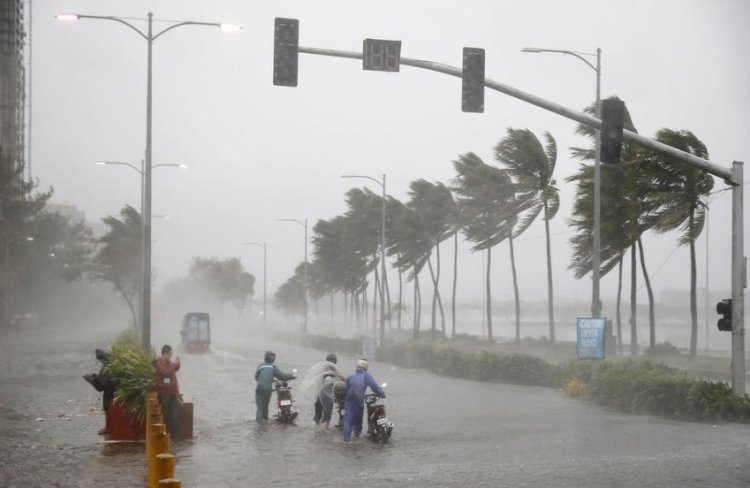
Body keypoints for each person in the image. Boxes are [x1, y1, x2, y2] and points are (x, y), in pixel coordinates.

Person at [342, 358, 385, 443]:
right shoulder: (366, 376)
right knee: (358, 421)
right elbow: (375, 387)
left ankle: (346, 441)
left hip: (349, 400)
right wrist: (382, 394)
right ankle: (356, 438)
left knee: (348, 420)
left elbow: (346, 389)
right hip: (358, 401)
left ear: (357, 366)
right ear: (366, 367)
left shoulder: (351, 375)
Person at [255, 351, 296, 421]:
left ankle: (259, 424)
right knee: (265, 406)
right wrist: (292, 376)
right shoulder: (273, 367)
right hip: (268, 389)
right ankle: (265, 421)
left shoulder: (260, 366)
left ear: (265, 358)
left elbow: (256, 377)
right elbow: (283, 376)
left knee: (260, 407)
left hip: (259, 388)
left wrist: (268, 379)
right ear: (273, 360)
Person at [154, 344, 181, 440]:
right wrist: (174, 365)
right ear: (164, 353)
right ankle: (166, 436)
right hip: (165, 392)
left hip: (173, 392)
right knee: (166, 415)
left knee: (175, 415)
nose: (170, 356)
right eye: (169, 354)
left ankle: (176, 437)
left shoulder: (169, 362)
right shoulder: (159, 363)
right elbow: (165, 372)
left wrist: (178, 363)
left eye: (171, 354)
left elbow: (175, 369)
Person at [313, 353, 346, 428]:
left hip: (318, 396)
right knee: (326, 418)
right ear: (335, 362)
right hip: (327, 397)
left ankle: (316, 433)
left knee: (318, 417)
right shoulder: (333, 370)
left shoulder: (322, 369)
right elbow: (343, 379)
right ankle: (324, 435)